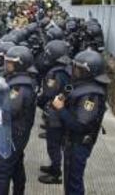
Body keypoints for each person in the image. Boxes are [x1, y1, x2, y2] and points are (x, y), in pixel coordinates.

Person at [52, 49, 109, 195]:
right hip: (71, 141)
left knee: (74, 183)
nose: (74, 71)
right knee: (69, 178)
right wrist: (62, 96)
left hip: (79, 144)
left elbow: (80, 125)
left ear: (89, 72)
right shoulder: (78, 83)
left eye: (79, 69)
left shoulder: (91, 96)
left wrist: (61, 109)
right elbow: (68, 90)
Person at [0, 46, 37, 195]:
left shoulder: (20, 87)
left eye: (10, 63)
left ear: (20, 64)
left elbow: (9, 110)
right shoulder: (22, 80)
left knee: (2, 174)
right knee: (17, 166)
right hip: (18, 133)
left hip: (13, 135)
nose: (6, 65)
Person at [37, 40, 71, 185]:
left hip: (56, 115)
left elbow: (48, 93)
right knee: (55, 144)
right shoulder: (67, 69)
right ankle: (53, 167)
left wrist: (38, 102)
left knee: (53, 144)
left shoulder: (55, 73)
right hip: (63, 111)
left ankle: (56, 174)